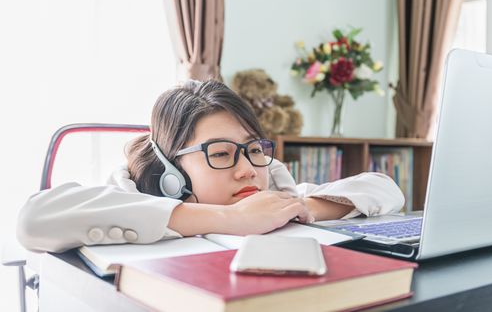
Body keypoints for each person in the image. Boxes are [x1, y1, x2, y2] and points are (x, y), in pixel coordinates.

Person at [17, 80, 404, 253]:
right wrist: (231, 218)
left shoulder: (267, 189)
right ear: (172, 173)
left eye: (253, 149)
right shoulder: (128, 195)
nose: (247, 169)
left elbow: (384, 187)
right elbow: (33, 219)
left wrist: (298, 209)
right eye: (220, 154)